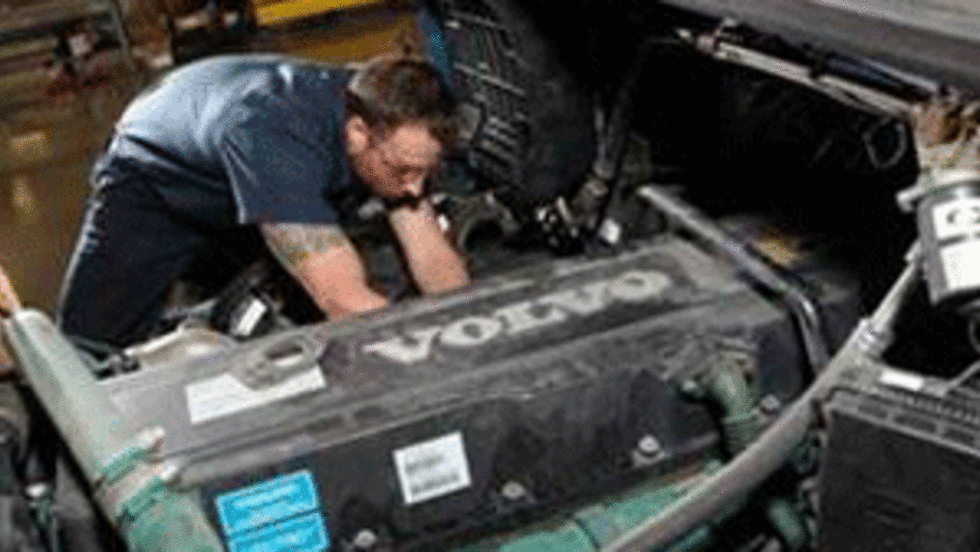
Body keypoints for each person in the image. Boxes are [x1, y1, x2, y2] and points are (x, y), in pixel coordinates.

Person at [57, 54, 471, 355]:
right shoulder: (275, 139)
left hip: (243, 163)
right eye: (404, 170)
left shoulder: (384, 111)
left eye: (424, 170)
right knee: (90, 347)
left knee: (282, 311)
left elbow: (431, 253)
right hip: (155, 177)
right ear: (358, 132)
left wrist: (471, 328)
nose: (416, 187)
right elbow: (343, 299)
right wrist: (434, 357)